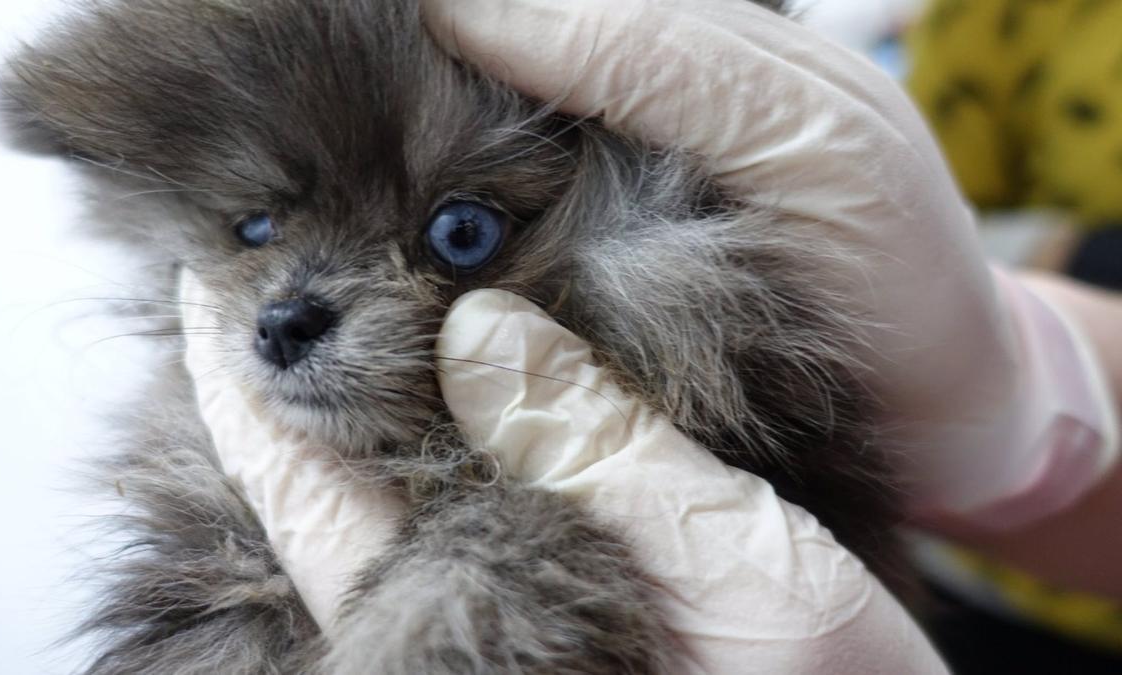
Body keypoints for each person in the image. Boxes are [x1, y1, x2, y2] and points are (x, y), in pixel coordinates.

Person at [183, 0, 1121, 671]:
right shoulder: (993, 30)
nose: (288, 302)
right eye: (262, 230)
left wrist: (1009, 400)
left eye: (459, 236)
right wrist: (1027, 399)